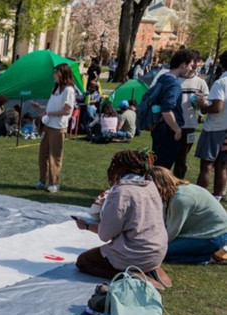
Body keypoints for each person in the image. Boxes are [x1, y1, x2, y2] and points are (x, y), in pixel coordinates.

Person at [75, 150, 170, 288]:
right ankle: (150, 268)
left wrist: (87, 226)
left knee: (83, 261)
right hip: (158, 250)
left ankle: (129, 275)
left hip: (135, 253)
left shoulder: (121, 192)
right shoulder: (150, 185)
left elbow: (105, 234)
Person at [151, 167, 227, 264]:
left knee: (159, 253)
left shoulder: (181, 199)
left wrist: (154, 245)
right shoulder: (176, 192)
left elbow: (172, 231)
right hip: (205, 231)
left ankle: (210, 257)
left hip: (214, 235)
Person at [32, 63, 76, 193]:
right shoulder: (56, 88)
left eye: (56, 73)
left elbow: (67, 111)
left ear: (62, 74)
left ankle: (54, 183)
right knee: (43, 154)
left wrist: (48, 113)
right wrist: (41, 108)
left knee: (54, 156)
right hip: (48, 125)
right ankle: (42, 180)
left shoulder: (69, 90)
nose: (54, 75)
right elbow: (53, 106)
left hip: (58, 127)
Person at [149, 49, 195, 170]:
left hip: (158, 128)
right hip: (168, 131)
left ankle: (154, 187)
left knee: (157, 165)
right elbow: (166, 109)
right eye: (190, 65)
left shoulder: (163, 78)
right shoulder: (174, 84)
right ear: (183, 64)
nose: (191, 68)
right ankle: (159, 189)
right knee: (163, 168)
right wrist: (177, 129)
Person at [195, 50, 227, 202]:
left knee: (207, 165)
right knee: (222, 166)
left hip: (215, 128)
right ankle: (217, 197)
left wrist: (203, 106)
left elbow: (217, 107)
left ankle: (200, 198)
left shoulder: (220, 83)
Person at [177, 51, 208, 179]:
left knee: (182, 160)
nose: (195, 65)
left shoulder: (201, 83)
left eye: (198, 62)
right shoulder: (175, 79)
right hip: (172, 124)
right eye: (193, 62)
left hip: (189, 126)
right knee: (166, 158)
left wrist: (201, 103)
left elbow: (205, 109)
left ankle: (177, 185)